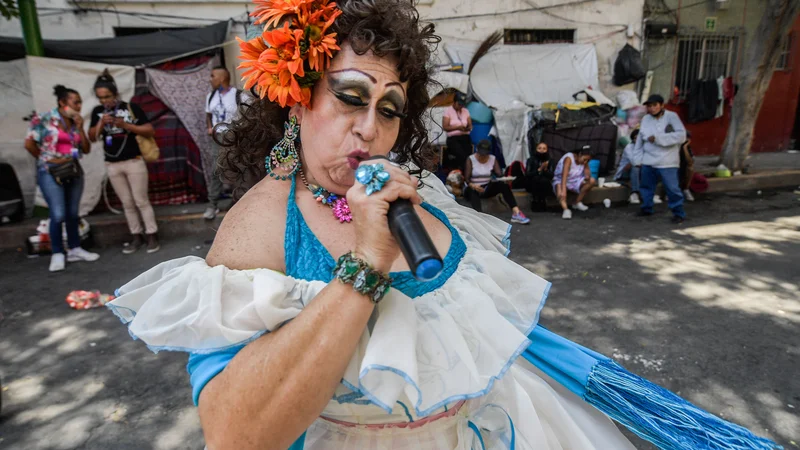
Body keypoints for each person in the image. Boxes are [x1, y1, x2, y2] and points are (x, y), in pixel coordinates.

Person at [106, 1, 779, 449]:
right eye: (349, 98)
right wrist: (365, 265)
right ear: (297, 97)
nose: (370, 129)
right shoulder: (258, 228)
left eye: (390, 109)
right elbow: (235, 433)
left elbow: (474, 322)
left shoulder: (417, 190)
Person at [25, 85, 100, 272]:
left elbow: (86, 149)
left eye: (80, 101)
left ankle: (75, 249)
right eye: (76, 102)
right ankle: (57, 252)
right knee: (58, 214)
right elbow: (29, 144)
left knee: (73, 213)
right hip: (50, 171)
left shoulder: (75, 122)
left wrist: (81, 127)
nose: (79, 105)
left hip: (73, 170)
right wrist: (47, 160)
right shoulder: (43, 119)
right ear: (62, 102)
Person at [89, 70, 160, 253]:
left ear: (116, 94)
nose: (105, 101)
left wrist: (126, 125)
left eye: (107, 96)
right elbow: (91, 137)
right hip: (112, 164)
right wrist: (101, 124)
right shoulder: (97, 112)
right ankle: (136, 236)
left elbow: (149, 130)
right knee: (126, 203)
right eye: (101, 98)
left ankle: (152, 235)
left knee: (141, 200)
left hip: (133, 161)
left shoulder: (130, 108)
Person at [636, 94, 687, 223]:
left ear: (662, 105)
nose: (652, 108)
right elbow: (640, 139)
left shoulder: (672, 116)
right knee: (646, 187)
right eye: (649, 106)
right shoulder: (646, 119)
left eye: (654, 105)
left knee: (672, 188)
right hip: (649, 159)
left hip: (667, 160)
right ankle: (647, 208)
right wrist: (637, 159)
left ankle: (678, 213)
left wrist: (659, 139)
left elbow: (681, 136)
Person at [464, 140, 530, 224]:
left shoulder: (492, 159)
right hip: (473, 187)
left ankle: (516, 212)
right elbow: (467, 179)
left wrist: (507, 179)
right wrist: (474, 186)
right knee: (472, 192)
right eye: (481, 154)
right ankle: (479, 216)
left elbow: (499, 175)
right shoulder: (471, 159)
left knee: (503, 185)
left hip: (486, 187)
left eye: (485, 154)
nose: (483, 156)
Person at [204, 66, 240, 220]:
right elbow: (208, 114)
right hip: (217, 139)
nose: (210, 79)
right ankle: (212, 204)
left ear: (221, 78)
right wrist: (209, 127)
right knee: (215, 170)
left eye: (212, 76)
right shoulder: (211, 96)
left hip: (233, 138)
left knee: (237, 169)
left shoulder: (237, 95)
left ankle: (237, 202)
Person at [552, 145, 596, 220]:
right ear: (579, 154)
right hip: (561, 179)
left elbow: (588, 176)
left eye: (588, 161)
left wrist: (587, 172)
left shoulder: (585, 162)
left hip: (575, 180)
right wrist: (564, 191)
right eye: (584, 159)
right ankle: (566, 209)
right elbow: (564, 176)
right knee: (560, 191)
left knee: (592, 181)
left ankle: (577, 202)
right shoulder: (569, 158)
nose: (585, 162)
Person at [442, 91, 472, 172]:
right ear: (454, 102)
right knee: (461, 155)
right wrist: (457, 128)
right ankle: (461, 173)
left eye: (462, 105)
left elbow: (470, 125)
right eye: (459, 104)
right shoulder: (448, 111)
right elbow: (445, 127)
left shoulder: (465, 111)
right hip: (453, 138)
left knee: (469, 156)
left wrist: (467, 128)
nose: (460, 106)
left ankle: (465, 174)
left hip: (465, 137)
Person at [614, 129, 643, 204]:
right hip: (625, 172)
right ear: (633, 138)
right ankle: (634, 193)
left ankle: (650, 194)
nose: (638, 140)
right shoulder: (629, 147)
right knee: (634, 167)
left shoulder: (644, 147)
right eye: (636, 138)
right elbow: (634, 162)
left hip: (640, 171)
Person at [525, 142, 554, 211]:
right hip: (532, 182)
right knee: (536, 180)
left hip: (545, 183)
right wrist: (539, 170)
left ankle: (542, 201)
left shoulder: (550, 161)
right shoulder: (531, 160)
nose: (541, 150)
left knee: (544, 181)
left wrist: (545, 170)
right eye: (539, 148)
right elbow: (528, 174)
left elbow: (551, 175)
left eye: (544, 149)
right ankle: (535, 201)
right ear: (536, 149)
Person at [680, 131, 696, 202]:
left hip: (682, 169)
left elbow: (690, 162)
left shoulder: (687, 148)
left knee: (690, 168)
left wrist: (685, 147)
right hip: (672, 168)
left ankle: (686, 189)